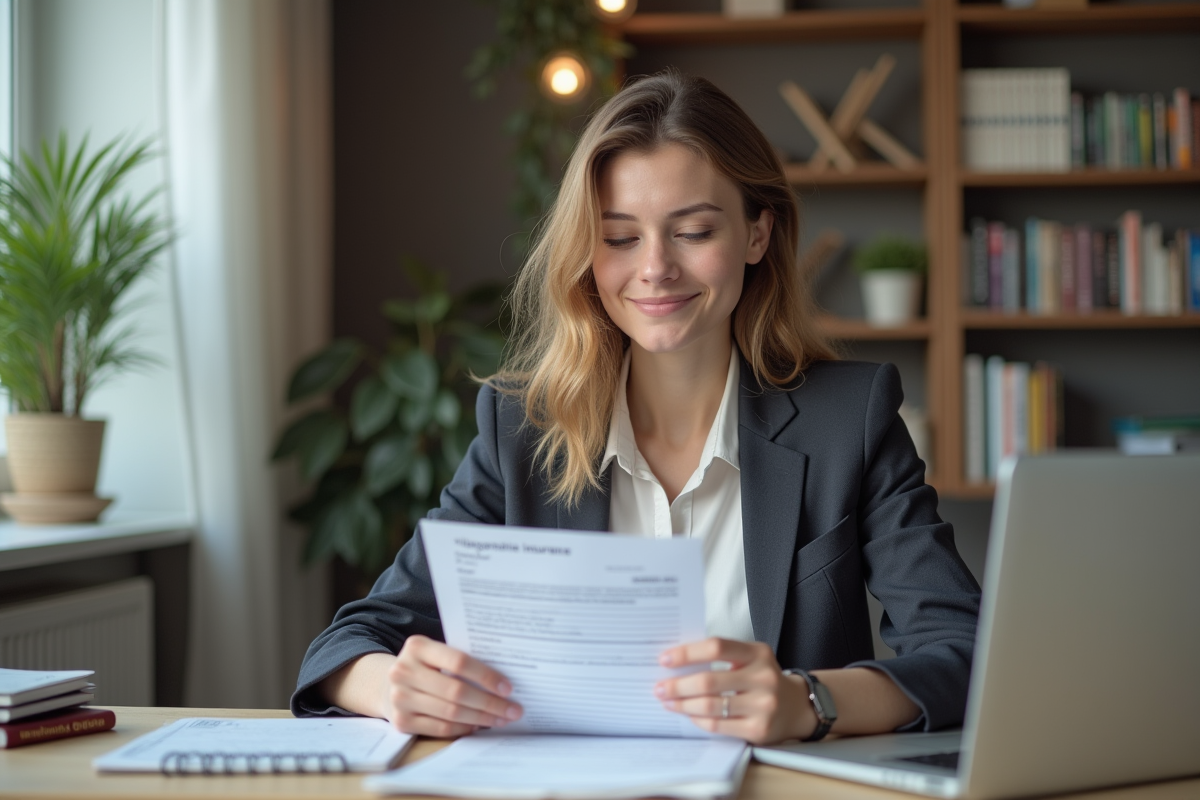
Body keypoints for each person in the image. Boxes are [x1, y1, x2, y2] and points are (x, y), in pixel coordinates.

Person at [291, 71, 981, 746]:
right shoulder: (521, 429)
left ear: (757, 235)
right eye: (620, 238)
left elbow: (964, 650)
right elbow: (347, 645)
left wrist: (808, 700)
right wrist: (393, 687)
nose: (655, 268)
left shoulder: (849, 420)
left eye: (694, 231)